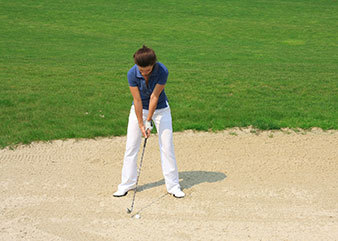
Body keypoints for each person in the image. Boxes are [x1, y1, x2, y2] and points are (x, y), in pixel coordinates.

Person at [113, 45, 185, 198]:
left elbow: (154, 97)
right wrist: (141, 123)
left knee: (167, 146)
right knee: (131, 146)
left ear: (154, 64)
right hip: (139, 110)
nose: (144, 73)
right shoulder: (131, 74)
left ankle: (173, 186)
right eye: (141, 70)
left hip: (161, 110)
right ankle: (127, 184)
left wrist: (149, 121)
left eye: (147, 70)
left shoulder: (162, 71)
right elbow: (137, 100)